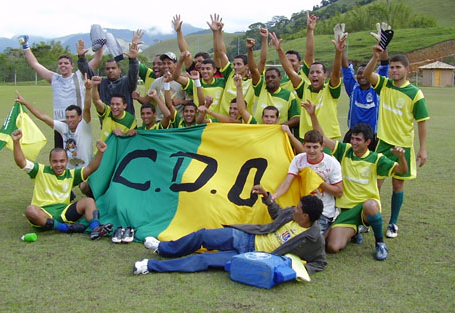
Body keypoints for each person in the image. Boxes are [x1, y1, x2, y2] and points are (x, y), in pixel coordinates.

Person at [133, 187, 326, 275]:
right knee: (203, 235)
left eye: (298, 209)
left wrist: (294, 271)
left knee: (203, 260)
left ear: (306, 217)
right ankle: (164, 248)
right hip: (247, 236)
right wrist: (267, 197)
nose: (294, 209)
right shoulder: (291, 213)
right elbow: (277, 214)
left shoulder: (313, 238)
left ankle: (150, 266)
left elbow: (320, 262)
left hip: (254, 256)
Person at [302, 100, 408, 260]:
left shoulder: (377, 158)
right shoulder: (345, 151)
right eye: (352, 138)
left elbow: (402, 171)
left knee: (371, 205)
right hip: (346, 210)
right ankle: (355, 230)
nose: (354, 142)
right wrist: (312, 115)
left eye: (358, 140)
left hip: (366, 207)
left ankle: (380, 243)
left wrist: (401, 158)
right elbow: (322, 138)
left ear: (368, 142)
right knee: (332, 247)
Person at [363, 45, 429, 238]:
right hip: (383, 144)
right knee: (376, 184)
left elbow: (422, 123)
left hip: (403, 146)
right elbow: (367, 74)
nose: (394, 70)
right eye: (392, 67)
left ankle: (393, 223)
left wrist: (423, 149)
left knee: (398, 186)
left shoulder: (415, 93)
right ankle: (369, 219)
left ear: (407, 70)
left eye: (398, 67)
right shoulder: (384, 85)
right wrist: (375, 57)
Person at [11, 129, 112, 240]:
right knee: (30, 211)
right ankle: (65, 228)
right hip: (44, 213)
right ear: (50, 162)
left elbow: (91, 168)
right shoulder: (40, 170)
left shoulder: (71, 174)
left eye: (62, 161)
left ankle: (96, 229)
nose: (58, 165)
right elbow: (21, 162)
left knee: (89, 201)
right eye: (55, 161)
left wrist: (100, 152)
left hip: (64, 212)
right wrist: (16, 142)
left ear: (67, 161)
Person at [18, 36, 103, 148]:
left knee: (79, 157)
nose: (63, 65)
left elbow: (97, 59)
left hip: (78, 124)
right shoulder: (54, 78)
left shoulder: (79, 75)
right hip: (60, 125)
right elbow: (35, 64)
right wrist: (25, 46)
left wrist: (100, 43)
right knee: (60, 157)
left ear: (72, 66)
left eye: (66, 63)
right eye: (60, 63)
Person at [270, 19, 345, 141]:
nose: (314, 75)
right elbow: (289, 70)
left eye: (318, 72)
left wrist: (338, 52)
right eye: (312, 72)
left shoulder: (331, 90)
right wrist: (279, 50)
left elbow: (336, 73)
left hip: (326, 139)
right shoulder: (304, 88)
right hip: (306, 138)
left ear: (325, 75)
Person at [271, 130, 343, 234]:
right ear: (304, 146)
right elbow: (287, 181)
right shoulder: (298, 160)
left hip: (323, 212)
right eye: (308, 147)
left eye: (315, 147)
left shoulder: (331, 163)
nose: (311, 151)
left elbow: (339, 192)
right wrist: (275, 195)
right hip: (302, 210)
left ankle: (331, 227)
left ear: (322, 146)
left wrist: (318, 182)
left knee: (312, 239)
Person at [15, 86, 92, 170]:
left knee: (83, 184)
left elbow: (87, 109)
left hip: (84, 170)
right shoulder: (63, 127)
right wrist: (25, 103)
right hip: (68, 171)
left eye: (72, 117)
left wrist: (88, 90)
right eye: (67, 117)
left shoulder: (85, 126)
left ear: (80, 117)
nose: (69, 120)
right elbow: (43, 117)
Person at [342, 40, 389, 151]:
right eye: (359, 73)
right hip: (353, 135)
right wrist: (341, 50)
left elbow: (385, 65)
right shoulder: (353, 88)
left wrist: (384, 44)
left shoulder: (378, 89)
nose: (362, 75)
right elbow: (345, 67)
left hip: (372, 136)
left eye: (365, 72)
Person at [247, 36, 300, 128]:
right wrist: (250, 49)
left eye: (273, 77)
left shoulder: (288, 95)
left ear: (280, 78)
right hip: (258, 133)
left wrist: (279, 127)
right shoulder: (261, 89)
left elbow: (296, 117)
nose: (270, 79)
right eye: (267, 77)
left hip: (277, 135)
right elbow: (253, 70)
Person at [209, 14, 255, 116]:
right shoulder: (230, 74)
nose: (235, 67)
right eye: (234, 64)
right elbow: (221, 52)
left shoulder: (253, 81)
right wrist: (218, 32)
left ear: (247, 66)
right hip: (224, 120)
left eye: (239, 64)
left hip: (242, 122)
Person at [78, 38, 140, 115]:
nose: (110, 70)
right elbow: (86, 71)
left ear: (119, 69)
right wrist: (81, 58)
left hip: (126, 125)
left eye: (113, 68)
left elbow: (133, 72)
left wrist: (133, 60)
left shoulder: (127, 82)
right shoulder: (101, 83)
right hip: (107, 124)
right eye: (107, 68)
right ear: (105, 71)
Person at [91, 76, 137, 142]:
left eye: (118, 104)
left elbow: (132, 139)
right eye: (112, 104)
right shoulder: (107, 111)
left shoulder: (131, 119)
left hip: (119, 150)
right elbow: (96, 101)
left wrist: (123, 134)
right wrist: (95, 86)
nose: (114, 107)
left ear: (124, 106)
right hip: (103, 150)